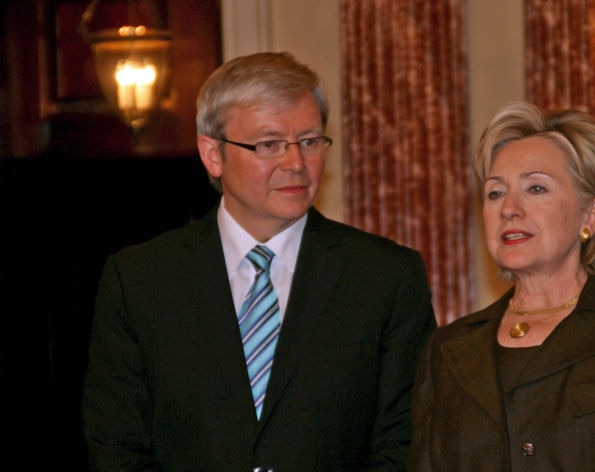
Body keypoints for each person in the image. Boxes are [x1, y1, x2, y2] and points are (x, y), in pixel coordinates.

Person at [82, 51, 437, 472]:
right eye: (269, 144)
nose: (296, 163)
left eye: (309, 141)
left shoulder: (385, 277)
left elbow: (407, 442)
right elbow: (117, 445)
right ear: (213, 154)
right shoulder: (141, 280)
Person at [408, 101, 595, 471]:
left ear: (590, 215)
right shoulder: (447, 348)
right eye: (495, 193)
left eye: (535, 188)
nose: (509, 209)